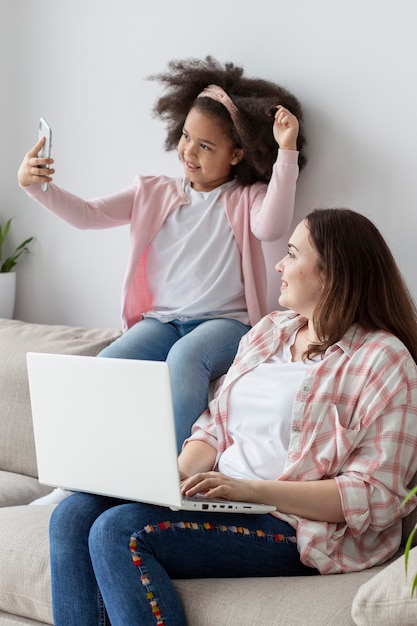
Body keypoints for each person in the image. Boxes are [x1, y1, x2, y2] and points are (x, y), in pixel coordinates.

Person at [48, 208, 417, 625]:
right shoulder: (269, 330)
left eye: (292, 254)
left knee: (120, 532)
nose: (279, 263)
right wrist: (173, 481)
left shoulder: (384, 360)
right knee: (71, 514)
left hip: (291, 524)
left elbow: (375, 495)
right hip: (221, 500)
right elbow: (214, 425)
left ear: (330, 274)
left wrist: (251, 491)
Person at [18, 55, 306, 451]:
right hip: (161, 322)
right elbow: (88, 215)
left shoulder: (246, 197)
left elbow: (271, 226)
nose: (190, 151)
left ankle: (174, 475)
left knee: (186, 357)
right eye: (187, 137)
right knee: (106, 367)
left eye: (206, 146)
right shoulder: (151, 192)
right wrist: (38, 187)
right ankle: (75, 478)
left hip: (225, 323)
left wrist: (285, 152)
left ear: (236, 155)